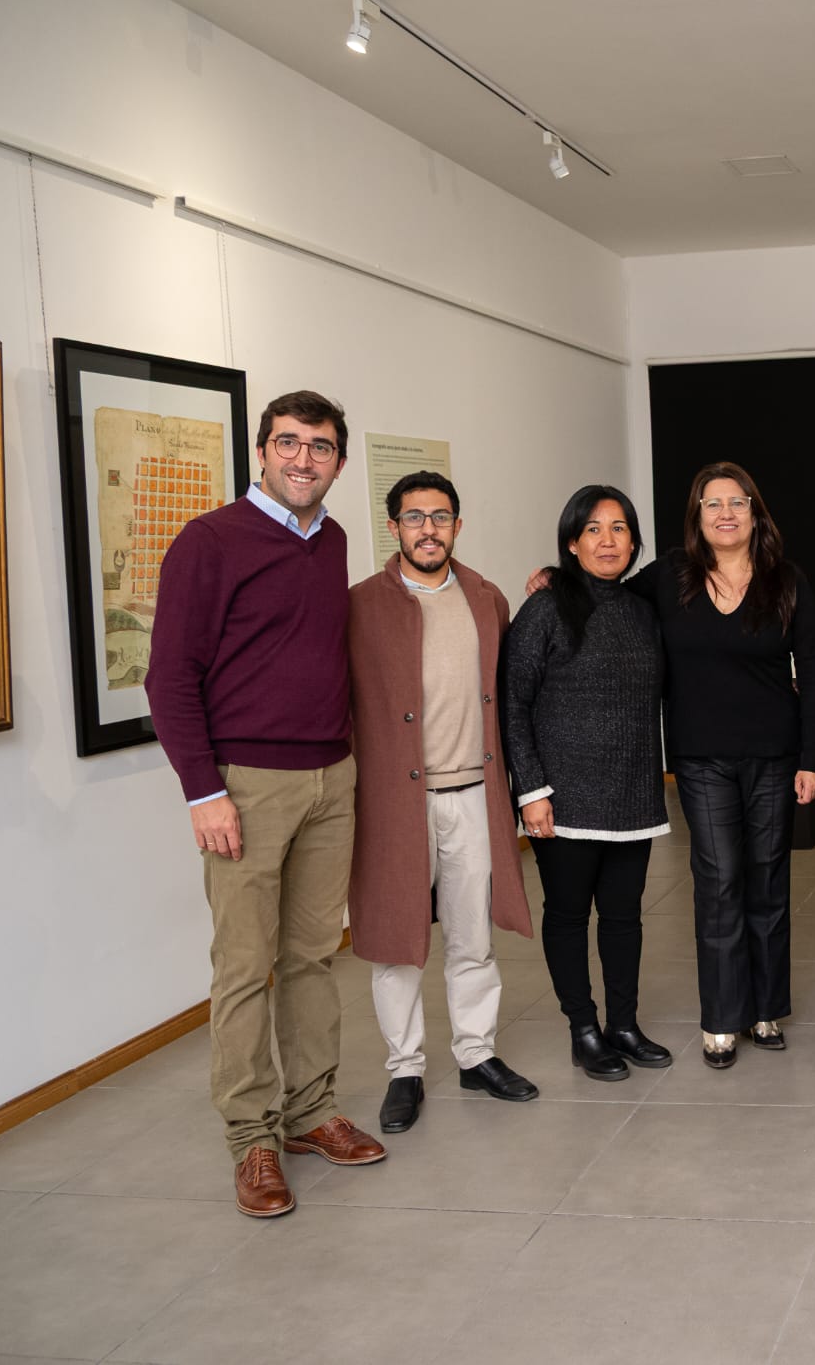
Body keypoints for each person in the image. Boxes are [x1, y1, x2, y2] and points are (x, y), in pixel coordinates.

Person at [146, 390, 386, 1218]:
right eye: (287, 443)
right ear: (261, 451)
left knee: (315, 956)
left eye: (319, 448)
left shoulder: (333, 542)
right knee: (245, 966)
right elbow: (169, 677)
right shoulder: (209, 541)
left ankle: (310, 1112)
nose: (302, 459)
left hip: (331, 777)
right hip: (244, 785)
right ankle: (252, 1137)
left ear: (339, 464)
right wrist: (203, 789)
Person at [346, 471, 538, 1135]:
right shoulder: (362, 605)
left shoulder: (487, 597)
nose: (428, 528)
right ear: (393, 526)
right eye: (414, 516)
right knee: (396, 941)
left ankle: (477, 1053)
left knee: (473, 936)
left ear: (459, 523)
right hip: (398, 803)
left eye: (441, 516)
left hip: (474, 796)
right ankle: (404, 1067)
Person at [630, 463, 815, 1069]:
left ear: (753, 511)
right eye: (711, 504)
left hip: (775, 755)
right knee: (719, 880)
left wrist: (814, 761)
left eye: (735, 503)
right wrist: (551, 581)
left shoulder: (785, 580)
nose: (724, 513)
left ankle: (766, 1009)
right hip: (700, 758)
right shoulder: (668, 577)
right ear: (696, 516)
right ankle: (722, 1016)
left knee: (767, 879)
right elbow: (604, 592)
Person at [503, 485, 671, 1083]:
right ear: (572, 542)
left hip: (632, 794)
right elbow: (514, 704)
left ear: (634, 541)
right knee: (570, 914)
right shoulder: (544, 610)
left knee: (624, 915)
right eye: (594, 529)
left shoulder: (644, 610)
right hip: (564, 800)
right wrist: (532, 791)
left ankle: (624, 1023)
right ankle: (584, 1029)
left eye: (620, 528)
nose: (608, 540)